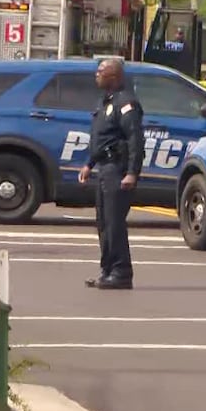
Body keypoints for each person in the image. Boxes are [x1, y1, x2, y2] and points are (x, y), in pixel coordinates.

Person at [78, 58, 144, 290]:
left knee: (115, 222)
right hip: (104, 167)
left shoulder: (126, 103)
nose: (96, 75)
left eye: (101, 72)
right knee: (104, 223)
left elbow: (135, 140)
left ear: (114, 76)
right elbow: (102, 139)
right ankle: (107, 270)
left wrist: (132, 173)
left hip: (118, 168)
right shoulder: (106, 101)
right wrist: (89, 164)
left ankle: (121, 272)